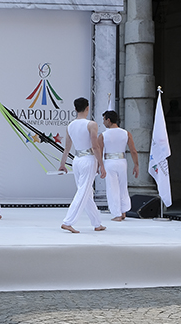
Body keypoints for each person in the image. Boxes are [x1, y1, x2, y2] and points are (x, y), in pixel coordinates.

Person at [57, 97, 106, 233]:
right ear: (87, 108)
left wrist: (62, 163)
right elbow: (95, 146)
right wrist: (101, 164)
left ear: (75, 109)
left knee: (87, 192)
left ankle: (97, 223)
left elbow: (67, 148)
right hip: (88, 159)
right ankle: (68, 221)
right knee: (83, 191)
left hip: (77, 160)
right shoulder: (91, 124)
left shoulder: (70, 125)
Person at [101, 110, 140, 221]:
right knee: (123, 186)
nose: (103, 122)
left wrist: (100, 165)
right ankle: (123, 211)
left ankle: (117, 213)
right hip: (122, 161)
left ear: (108, 120)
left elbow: (99, 151)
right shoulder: (126, 133)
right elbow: (133, 150)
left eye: (104, 120)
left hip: (109, 162)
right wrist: (136, 164)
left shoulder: (103, 135)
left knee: (112, 188)